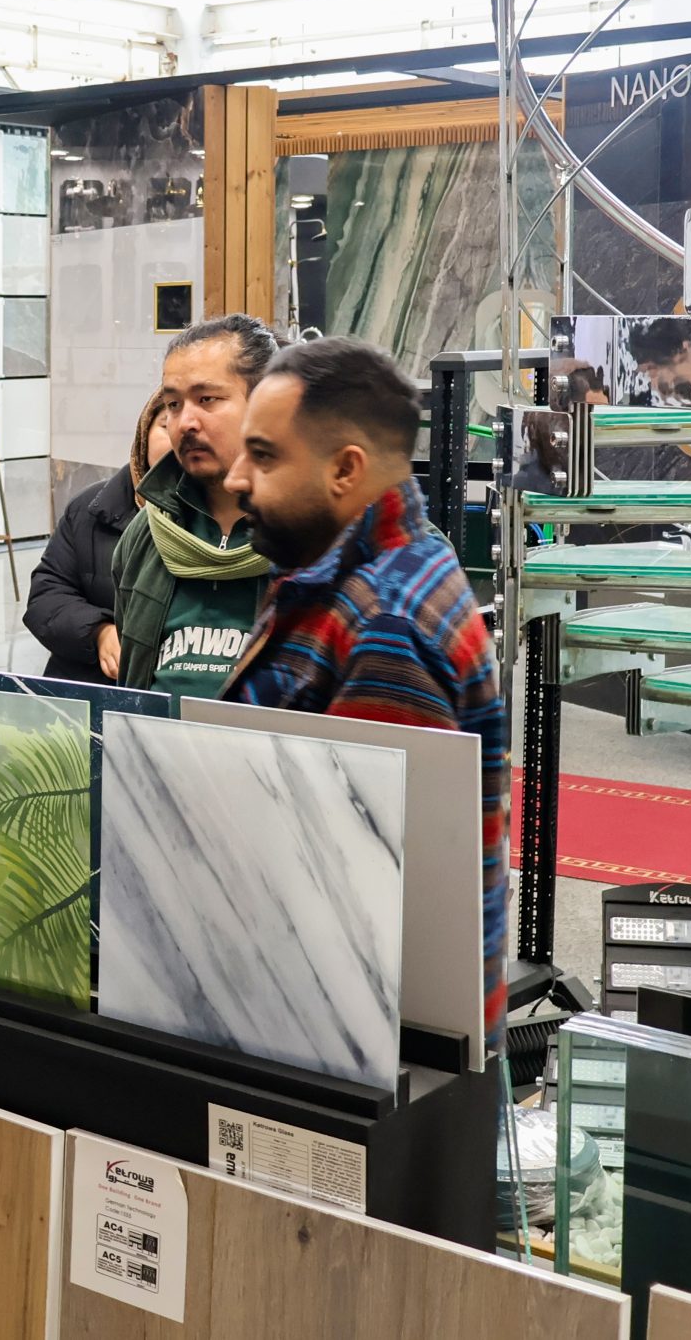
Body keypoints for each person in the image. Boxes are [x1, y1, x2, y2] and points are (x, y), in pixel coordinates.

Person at [219, 335, 508, 1053]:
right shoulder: (355, 577)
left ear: (346, 468)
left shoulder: (384, 624)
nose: (235, 477)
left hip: (347, 1052)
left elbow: (357, 910)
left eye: (263, 455)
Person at [110, 314, 277, 698]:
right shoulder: (147, 534)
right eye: (173, 404)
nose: (185, 422)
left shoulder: (318, 540)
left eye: (207, 399)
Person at [23, 397, 152, 684]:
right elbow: (47, 596)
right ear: (144, 434)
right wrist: (99, 631)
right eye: (166, 424)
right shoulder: (90, 509)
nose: (183, 431)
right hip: (89, 690)